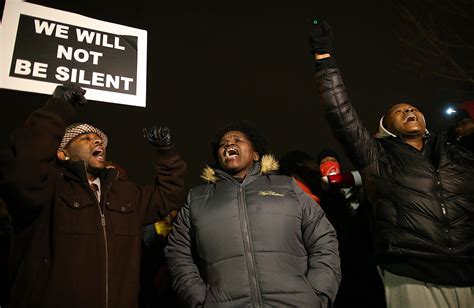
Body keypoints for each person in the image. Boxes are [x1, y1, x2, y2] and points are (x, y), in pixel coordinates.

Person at [309, 21, 474, 307]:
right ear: (387, 127)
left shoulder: (457, 155)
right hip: (411, 272)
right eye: (399, 111)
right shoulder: (378, 156)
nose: (408, 110)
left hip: (468, 269)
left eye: (413, 108)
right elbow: (342, 116)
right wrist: (324, 60)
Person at [0, 84, 187, 308]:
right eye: (85, 138)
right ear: (63, 153)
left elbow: (168, 195)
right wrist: (55, 110)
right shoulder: (49, 187)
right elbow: (24, 168)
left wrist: (166, 153)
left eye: (99, 139)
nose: (97, 141)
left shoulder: (124, 192)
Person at [165, 120, 341, 307]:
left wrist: (317, 294)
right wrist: (200, 300)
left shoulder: (287, 187)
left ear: (256, 154)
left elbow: (323, 238)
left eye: (237, 139)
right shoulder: (198, 199)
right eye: (223, 144)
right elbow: (177, 251)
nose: (229, 144)